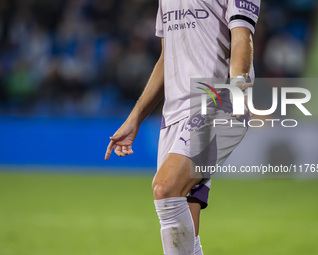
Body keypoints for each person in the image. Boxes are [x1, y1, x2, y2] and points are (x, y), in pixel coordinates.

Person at [105, 0, 261, 254]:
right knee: (184, 226)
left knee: (165, 188)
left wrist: (238, 86)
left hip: (218, 102)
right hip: (175, 114)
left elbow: (242, 37)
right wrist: (135, 119)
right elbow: (166, 59)